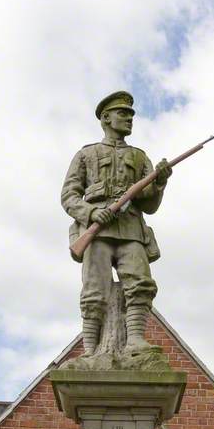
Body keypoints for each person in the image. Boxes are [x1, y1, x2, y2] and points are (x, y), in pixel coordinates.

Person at [61, 91, 172, 355]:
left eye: (131, 114)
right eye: (123, 113)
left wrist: (159, 183)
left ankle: (135, 340)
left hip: (131, 230)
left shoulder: (139, 157)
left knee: (141, 284)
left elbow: (150, 206)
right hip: (97, 231)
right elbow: (69, 195)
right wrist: (89, 213)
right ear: (106, 118)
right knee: (94, 289)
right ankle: (89, 350)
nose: (129, 118)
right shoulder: (86, 154)